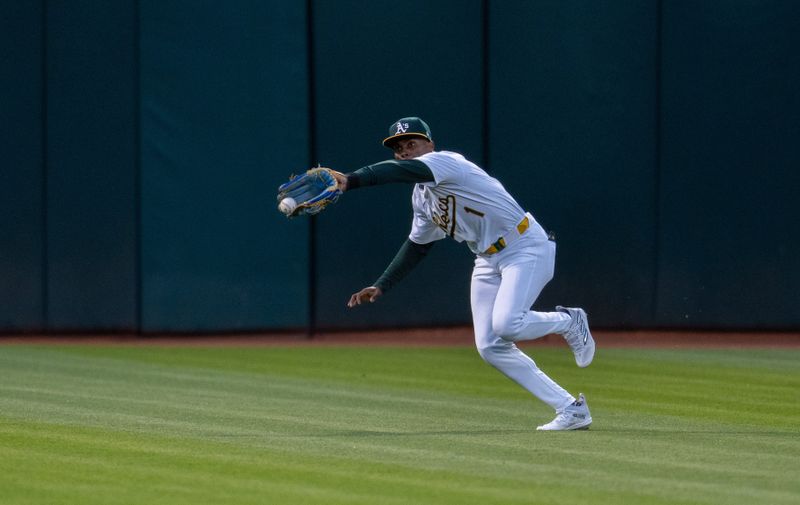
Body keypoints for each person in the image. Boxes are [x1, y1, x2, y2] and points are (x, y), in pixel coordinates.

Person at [331, 117, 595, 431]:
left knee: (507, 324)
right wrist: (381, 285)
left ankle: (569, 321)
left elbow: (398, 171)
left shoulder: (446, 162)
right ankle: (570, 408)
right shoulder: (422, 198)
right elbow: (418, 246)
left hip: (525, 246)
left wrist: (351, 179)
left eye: (411, 143)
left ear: (430, 144)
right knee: (489, 347)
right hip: (486, 259)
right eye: (399, 148)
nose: (405, 151)